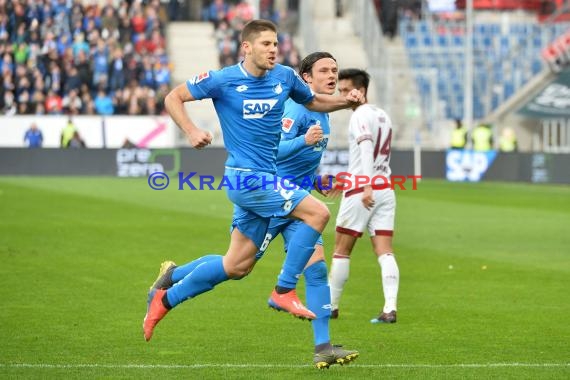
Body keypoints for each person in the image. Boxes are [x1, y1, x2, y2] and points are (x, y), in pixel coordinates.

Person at [143, 20, 363, 351]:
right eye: (265, 44)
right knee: (318, 214)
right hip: (248, 179)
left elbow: (314, 102)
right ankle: (284, 291)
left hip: (269, 184)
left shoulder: (285, 77)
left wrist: (347, 102)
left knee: (236, 266)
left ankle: (164, 298)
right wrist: (190, 131)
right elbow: (174, 97)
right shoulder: (223, 79)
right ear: (247, 47)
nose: (273, 49)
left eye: (275, 44)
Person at [328, 69, 400, 324]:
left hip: (364, 190)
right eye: (340, 91)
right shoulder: (383, 115)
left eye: (347, 90)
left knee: (341, 250)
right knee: (385, 250)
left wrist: (364, 185)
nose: (343, 96)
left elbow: (366, 148)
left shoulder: (359, 115)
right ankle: (390, 308)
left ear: (362, 91)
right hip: (386, 187)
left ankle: (331, 306)